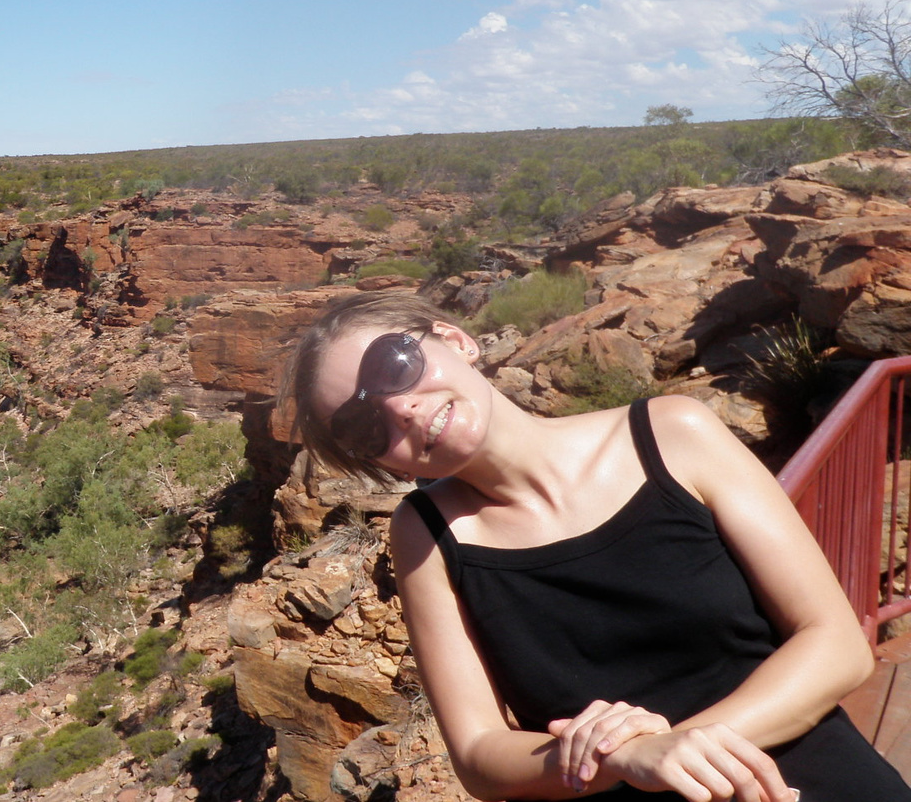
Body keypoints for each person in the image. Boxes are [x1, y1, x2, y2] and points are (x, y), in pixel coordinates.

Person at [281, 291, 911, 802]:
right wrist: (628, 758)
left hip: (810, 780)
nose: (404, 410)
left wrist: (676, 751)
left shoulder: (671, 435)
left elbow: (835, 644)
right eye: (365, 425)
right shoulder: (428, 534)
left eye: (394, 368)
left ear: (455, 340)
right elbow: (477, 755)